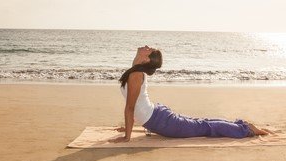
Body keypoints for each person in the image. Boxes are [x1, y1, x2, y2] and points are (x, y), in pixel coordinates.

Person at [109, 45, 270, 143]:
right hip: (157, 117)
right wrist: (128, 126)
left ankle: (246, 129)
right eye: (148, 48)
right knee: (202, 124)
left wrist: (127, 137)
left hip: (161, 122)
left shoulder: (136, 74)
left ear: (145, 60)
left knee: (204, 127)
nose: (146, 46)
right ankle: (241, 125)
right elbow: (135, 105)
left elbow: (131, 108)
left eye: (149, 50)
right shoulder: (135, 70)